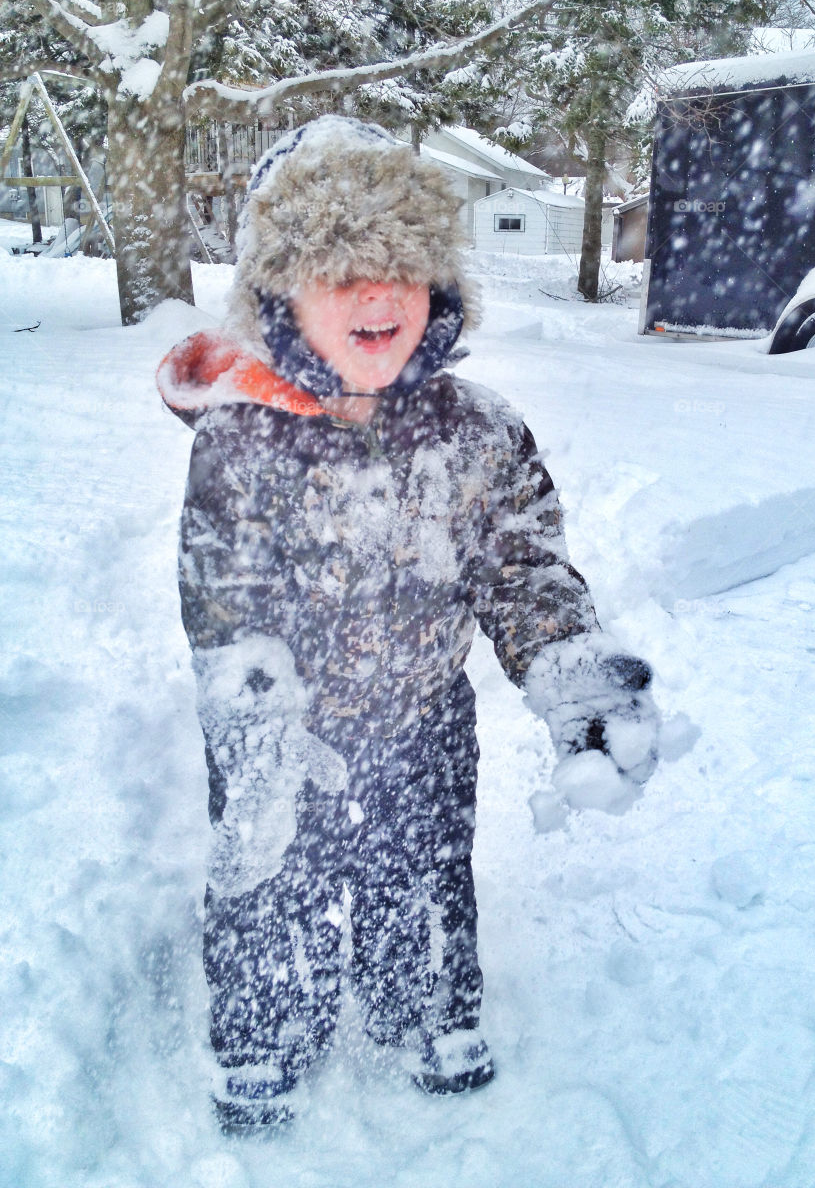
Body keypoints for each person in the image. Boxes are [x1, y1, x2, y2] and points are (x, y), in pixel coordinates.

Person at [157, 117, 662, 1133]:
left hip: (427, 711)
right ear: (279, 294)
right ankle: (267, 1029)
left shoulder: (479, 430)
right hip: (283, 727)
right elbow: (221, 588)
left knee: (422, 867)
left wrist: (569, 665)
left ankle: (426, 1004)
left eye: (402, 265)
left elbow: (524, 565)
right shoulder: (241, 441)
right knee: (271, 882)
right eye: (341, 268)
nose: (377, 293)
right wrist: (257, 708)